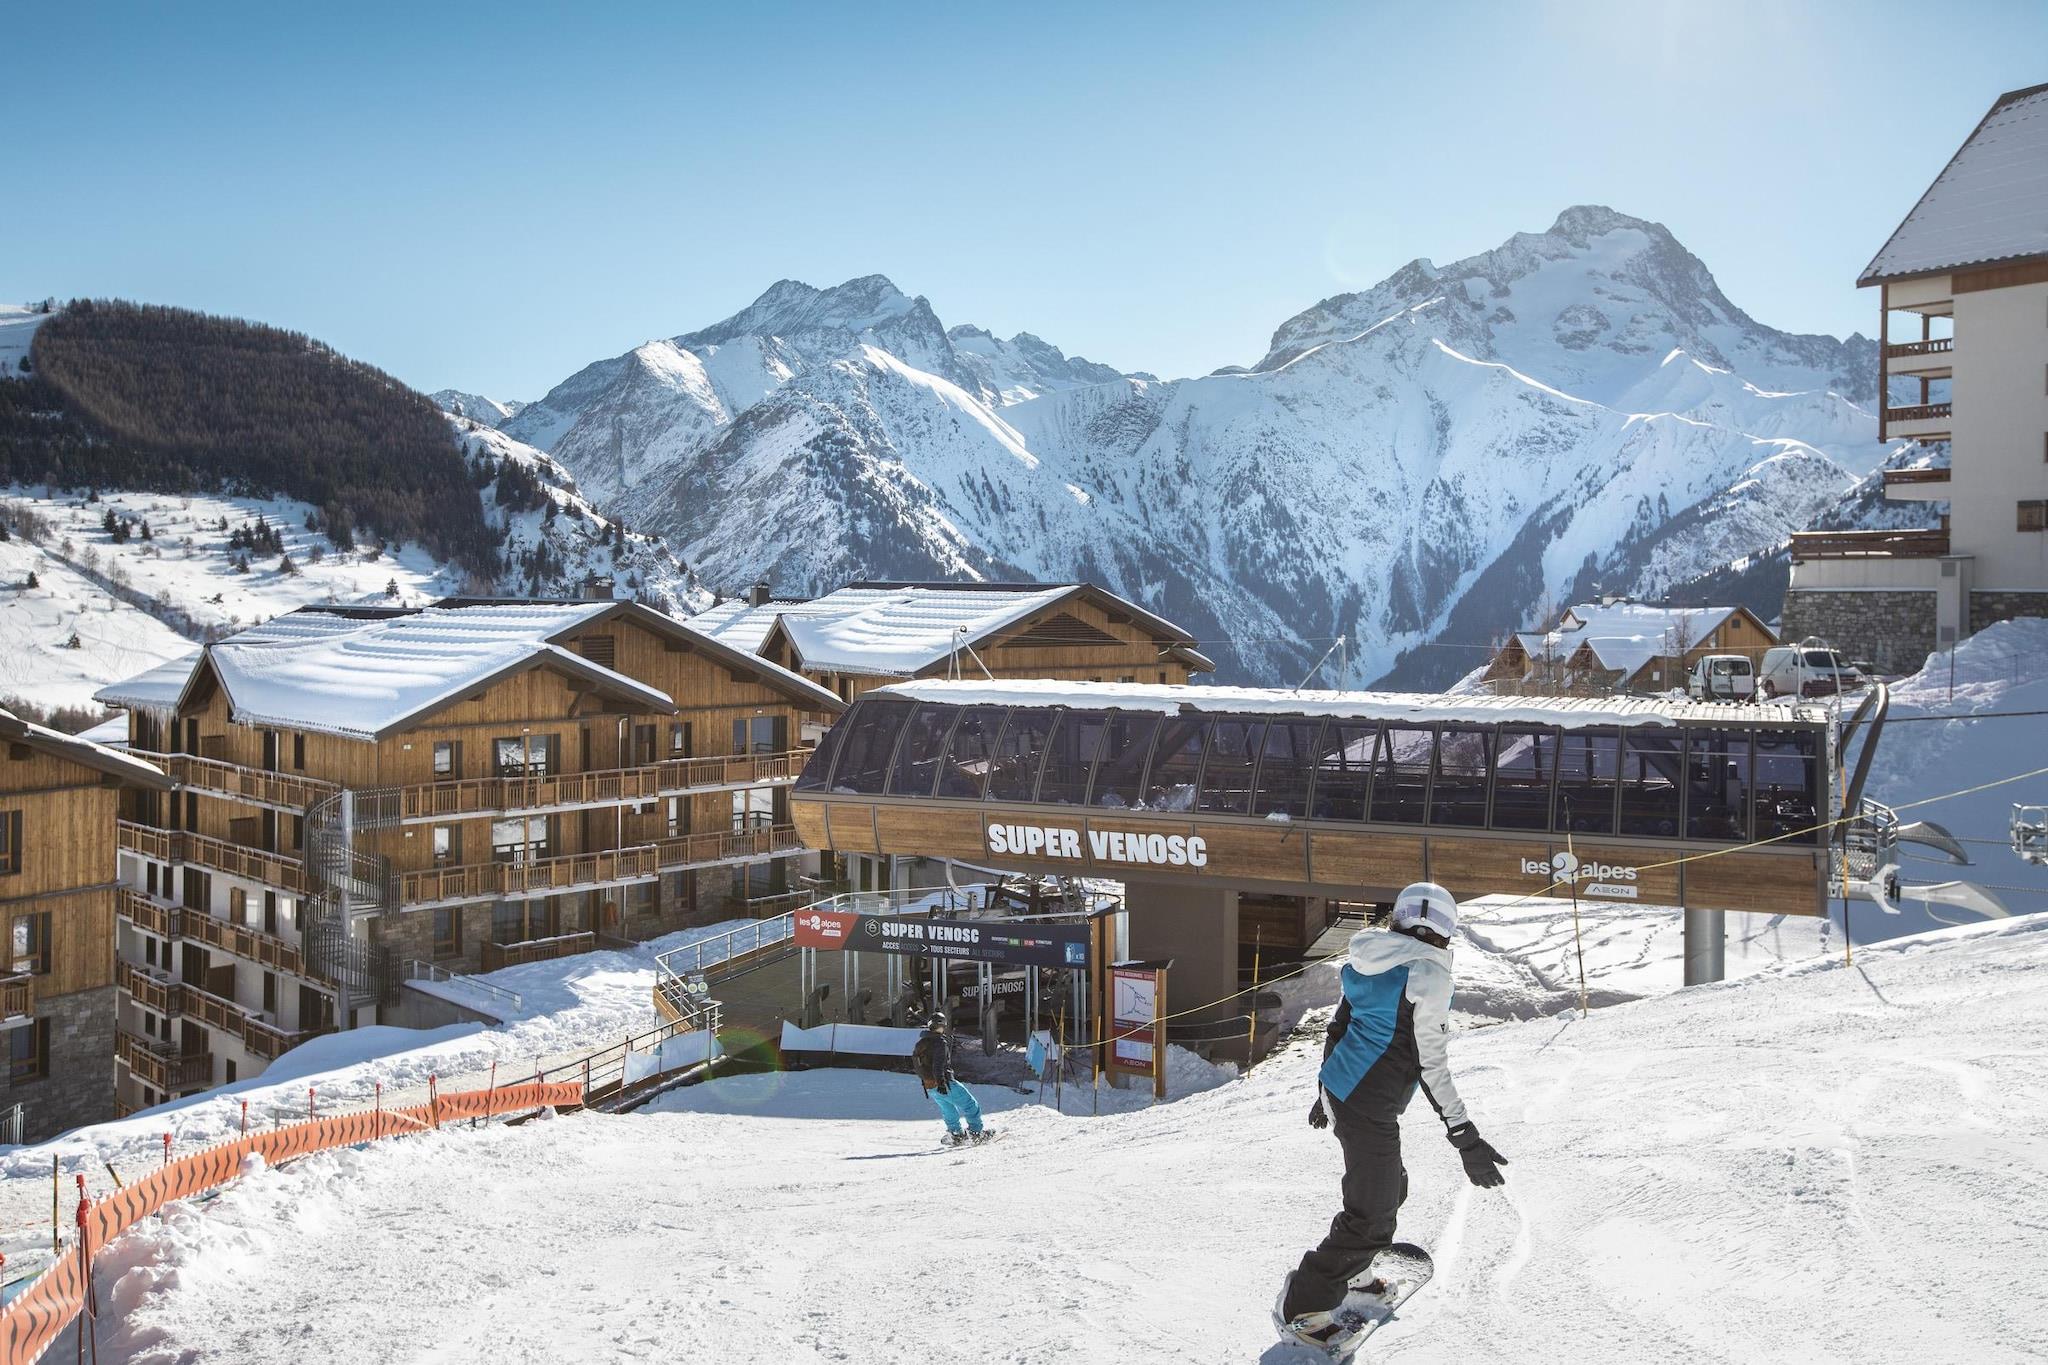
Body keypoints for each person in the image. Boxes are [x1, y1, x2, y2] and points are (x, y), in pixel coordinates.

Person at [1278, 882, 1508, 1334]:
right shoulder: (1428, 977)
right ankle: (1302, 1309)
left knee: (1388, 1189)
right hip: (1366, 1106)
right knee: (1373, 1218)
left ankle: (1355, 1275)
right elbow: (1431, 1066)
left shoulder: (1368, 957)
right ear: (1445, 929)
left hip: (1345, 1092)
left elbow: (1340, 1027)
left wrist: (1324, 1091)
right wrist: (1466, 1138)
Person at [911, 1012, 987, 1145]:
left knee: (948, 1109)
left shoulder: (921, 1043)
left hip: (929, 1086)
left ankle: (955, 1134)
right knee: (970, 1104)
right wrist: (941, 1083)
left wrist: (929, 1082)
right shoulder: (939, 1043)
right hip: (944, 1083)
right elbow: (938, 1065)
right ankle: (976, 1133)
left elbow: (917, 1065)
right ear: (943, 1025)